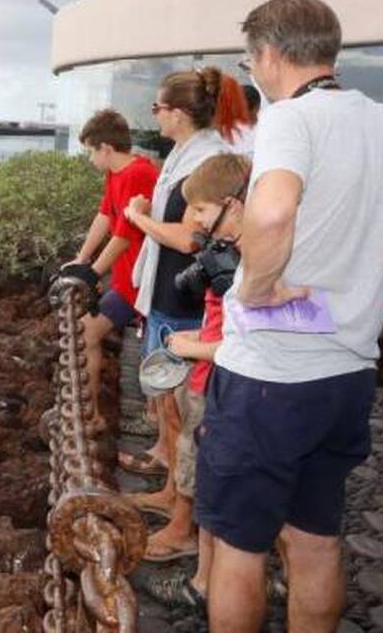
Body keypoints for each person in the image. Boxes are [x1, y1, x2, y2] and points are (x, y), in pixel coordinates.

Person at [198, 0, 383, 632]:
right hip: (346, 379)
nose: (252, 73)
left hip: (268, 376)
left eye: (250, 61)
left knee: (240, 546)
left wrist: (258, 289)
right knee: (315, 539)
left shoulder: (290, 120)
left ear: (270, 55)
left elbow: (271, 212)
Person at [119, 67, 247, 476]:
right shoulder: (183, 154)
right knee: (166, 396)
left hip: (183, 295)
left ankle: (178, 495)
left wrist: (139, 219)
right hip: (166, 287)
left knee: (177, 398)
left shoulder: (203, 160)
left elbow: (192, 239)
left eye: (157, 106)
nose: (154, 114)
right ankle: (165, 462)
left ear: (178, 113)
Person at [131, 153, 249, 587]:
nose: (195, 221)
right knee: (190, 449)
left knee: (201, 465)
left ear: (233, 204)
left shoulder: (248, 262)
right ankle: (203, 567)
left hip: (212, 374)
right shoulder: (230, 252)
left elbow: (249, 339)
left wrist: (194, 347)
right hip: (207, 369)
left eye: (200, 210)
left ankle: (199, 569)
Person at [62, 110, 159, 417]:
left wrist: (91, 274)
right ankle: (91, 415)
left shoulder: (138, 174)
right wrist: (81, 259)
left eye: (91, 151)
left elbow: (124, 237)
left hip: (139, 282)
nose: (90, 158)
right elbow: (105, 216)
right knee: (89, 333)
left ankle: (90, 418)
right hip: (124, 279)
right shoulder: (116, 173)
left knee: (91, 333)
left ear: (105, 148)